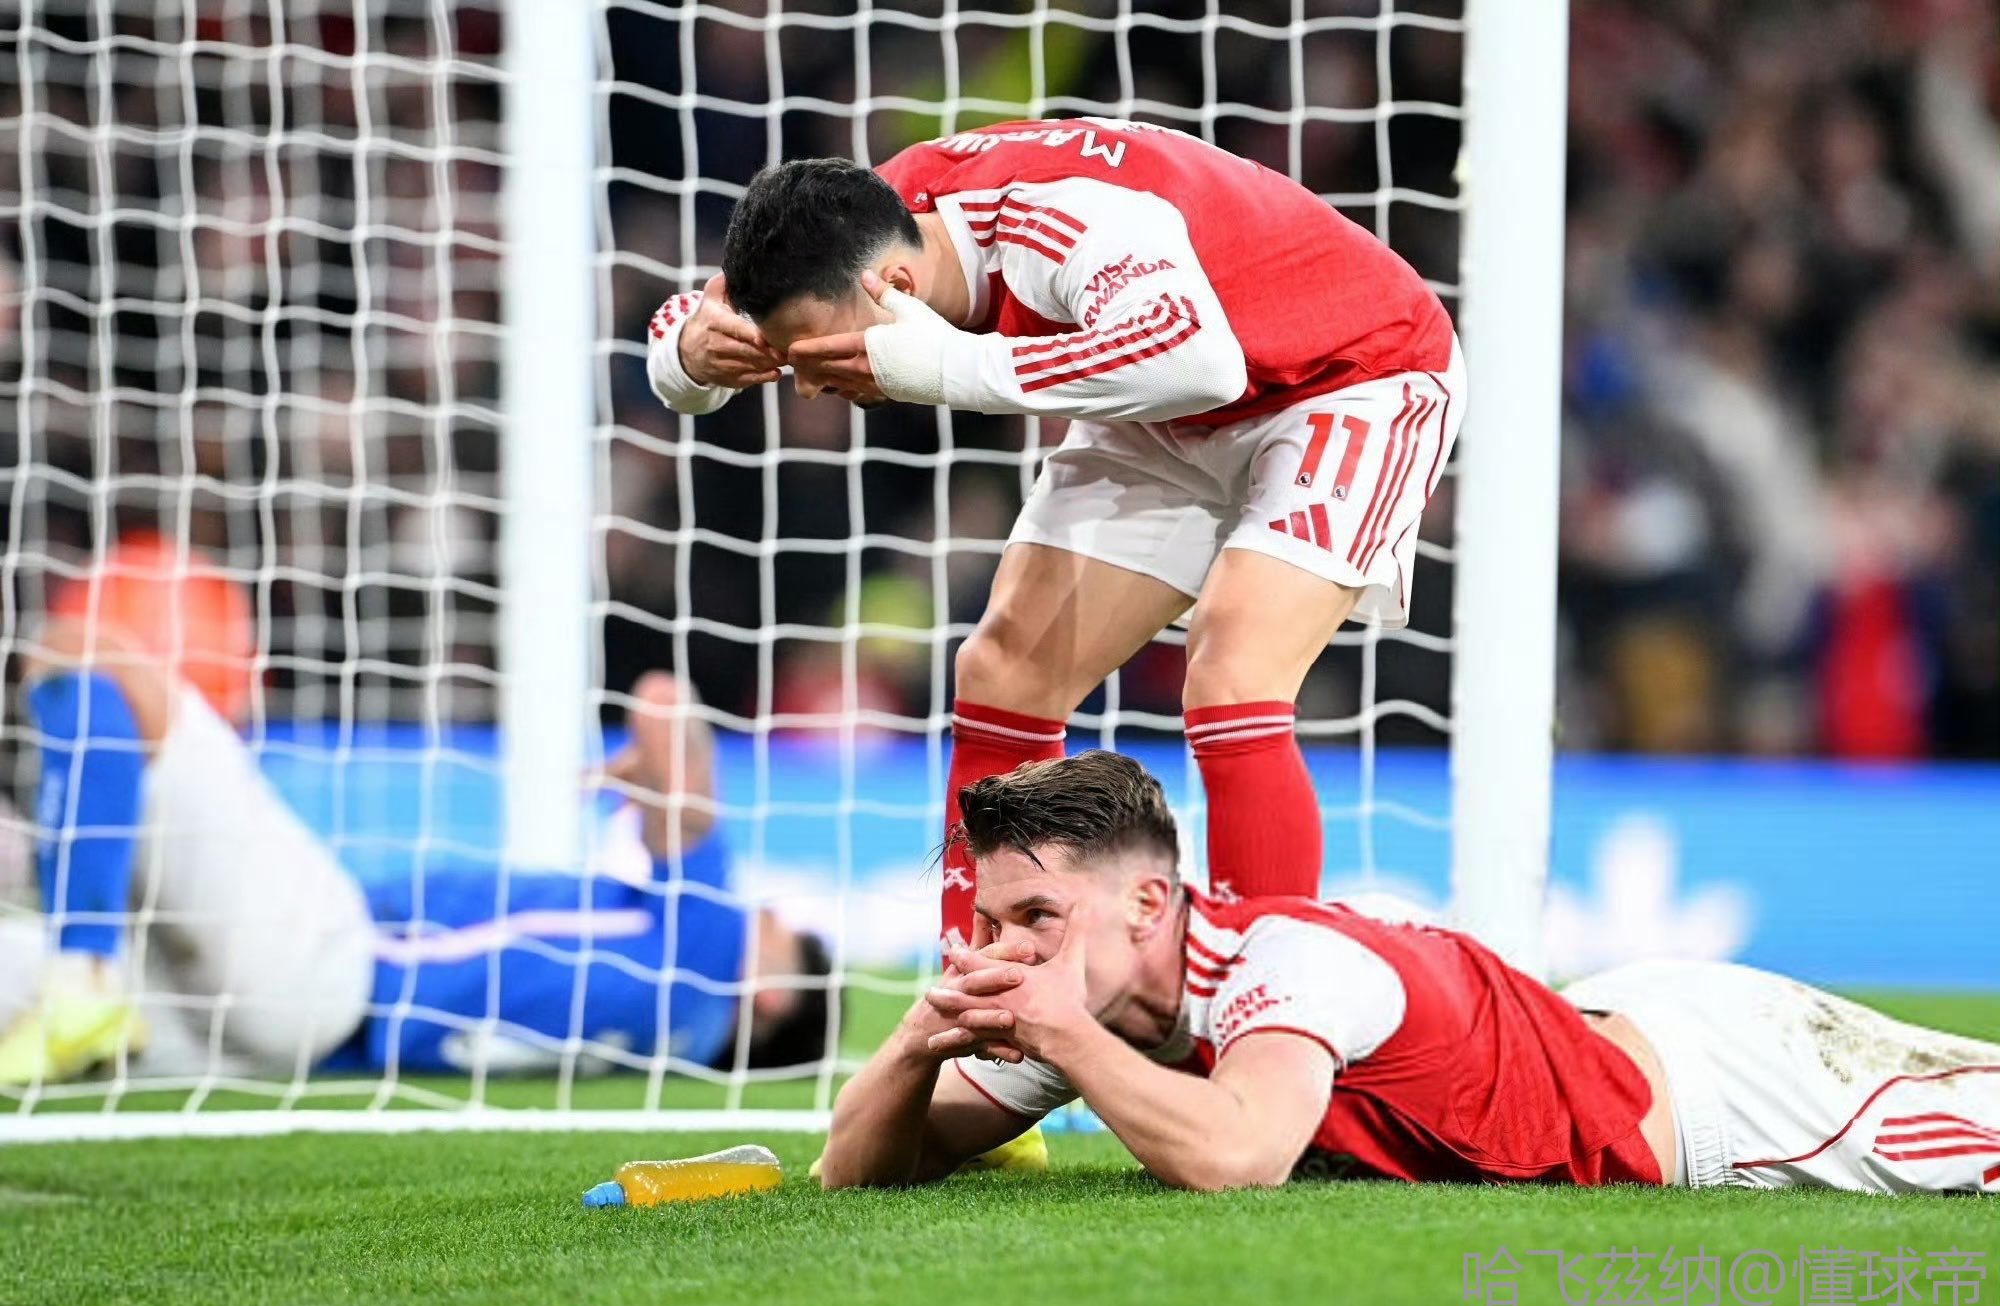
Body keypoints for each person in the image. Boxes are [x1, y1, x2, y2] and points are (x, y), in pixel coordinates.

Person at [645, 117, 1465, 948]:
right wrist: (686, 356)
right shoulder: (849, 226)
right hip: (1170, 406)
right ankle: (988, 989)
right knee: (1003, 670)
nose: (812, 387)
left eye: (823, 358)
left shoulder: (1058, 221)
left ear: (897, 284)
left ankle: (1266, 991)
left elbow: (1199, 358)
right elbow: (693, 311)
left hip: (1346, 373)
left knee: (1232, 668)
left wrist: (953, 368)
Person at [819, 751, 2000, 1195]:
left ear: (1146, 903)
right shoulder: (1101, 1004)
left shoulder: (1282, 965)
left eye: (1035, 915)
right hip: (1617, 1018)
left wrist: (1064, 1039)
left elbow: (1237, 1157)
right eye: (992, 922)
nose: (1008, 950)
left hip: (1726, 1096)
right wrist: (920, 1037)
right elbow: (857, 1171)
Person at [0, 624, 833, 1086]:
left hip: (326, 963)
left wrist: (656, 780)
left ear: (767, 996)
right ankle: (75, 959)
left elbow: (661, 703)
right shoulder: (663, 1039)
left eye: (778, 930)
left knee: (85, 654)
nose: (760, 911)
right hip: (283, 1046)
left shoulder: (705, 964)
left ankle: (83, 969)